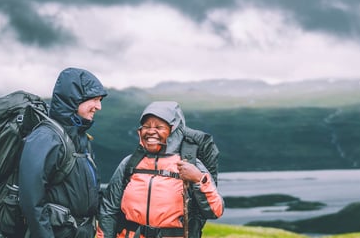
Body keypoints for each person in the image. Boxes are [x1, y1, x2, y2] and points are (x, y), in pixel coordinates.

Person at [99, 101, 224, 238]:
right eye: (146, 126)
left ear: (174, 130)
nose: (151, 131)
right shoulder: (130, 163)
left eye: (159, 127)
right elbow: (109, 209)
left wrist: (199, 179)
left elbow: (215, 211)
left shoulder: (190, 164)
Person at [19, 67, 108, 238]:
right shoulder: (46, 137)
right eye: (95, 99)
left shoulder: (81, 137)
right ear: (74, 99)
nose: (99, 106)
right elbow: (31, 199)